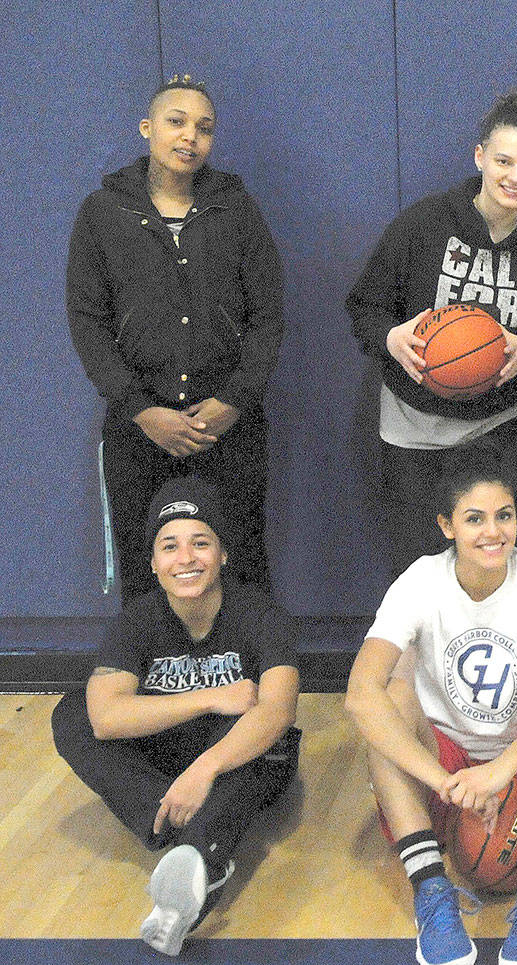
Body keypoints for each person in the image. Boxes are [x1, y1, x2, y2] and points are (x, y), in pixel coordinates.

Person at [344, 444, 517, 965]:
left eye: (504, 515)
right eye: (474, 518)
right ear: (447, 526)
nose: (493, 532)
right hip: (447, 768)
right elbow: (358, 694)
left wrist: (500, 771)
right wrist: (444, 779)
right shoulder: (420, 580)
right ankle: (431, 893)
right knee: (390, 699)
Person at [50, 476, 301, 956]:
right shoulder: (136, 621)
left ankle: (191, 874)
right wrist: (208, 697)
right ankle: (184, 831)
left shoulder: (261, 614)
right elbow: (104, 718)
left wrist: (205, 768)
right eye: (170, 546)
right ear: (152, 563)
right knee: (71, 715)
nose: (186, 559)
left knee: (260, 737)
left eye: (200, 543)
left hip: (239, 757)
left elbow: (277, 710)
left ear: (223, 554)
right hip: (172, 748)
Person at [346, 89, 517, 574]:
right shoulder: (424, 224)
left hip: (507, 421)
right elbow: (364, 307)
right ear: (480, 157)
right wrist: (391, 339)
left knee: (510, 572)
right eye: (504, 161)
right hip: (415, 424)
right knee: (420, 576)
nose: (515, 177)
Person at [67, 75, 284, 600]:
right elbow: (87, 321)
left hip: (227, 425)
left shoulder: (236, 209)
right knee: (148, 570)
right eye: (176, 121)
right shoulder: (103, 212)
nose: (190, 136)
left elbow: (268, 316)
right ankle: (151, 679)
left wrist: (232, 401)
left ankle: (248, 675)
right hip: (139, 426)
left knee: (241, 558)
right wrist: (141, 409)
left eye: (204, 128)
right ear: (147, 128)